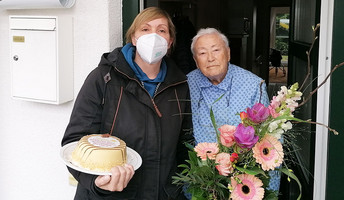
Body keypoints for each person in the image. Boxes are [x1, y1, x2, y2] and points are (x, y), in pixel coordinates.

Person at [61, 7, 192, 200]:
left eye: (162, 30)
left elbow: (184, 146)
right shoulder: (103, 78)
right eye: (145, 29)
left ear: (170, 42)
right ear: (134, 38)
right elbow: (75, 141)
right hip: (110, 195)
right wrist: (96, 182)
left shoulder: (179, 85)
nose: (154, 36)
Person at [186, 28, 280, 194]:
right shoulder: (185, 84)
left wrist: (269, 192)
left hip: (242, 184)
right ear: (195, 60)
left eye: (216, 50)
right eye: (202, 53)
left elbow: (269, 142)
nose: (210, 58)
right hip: (199, 184)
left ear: (228, 53)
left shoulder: (253, 85)